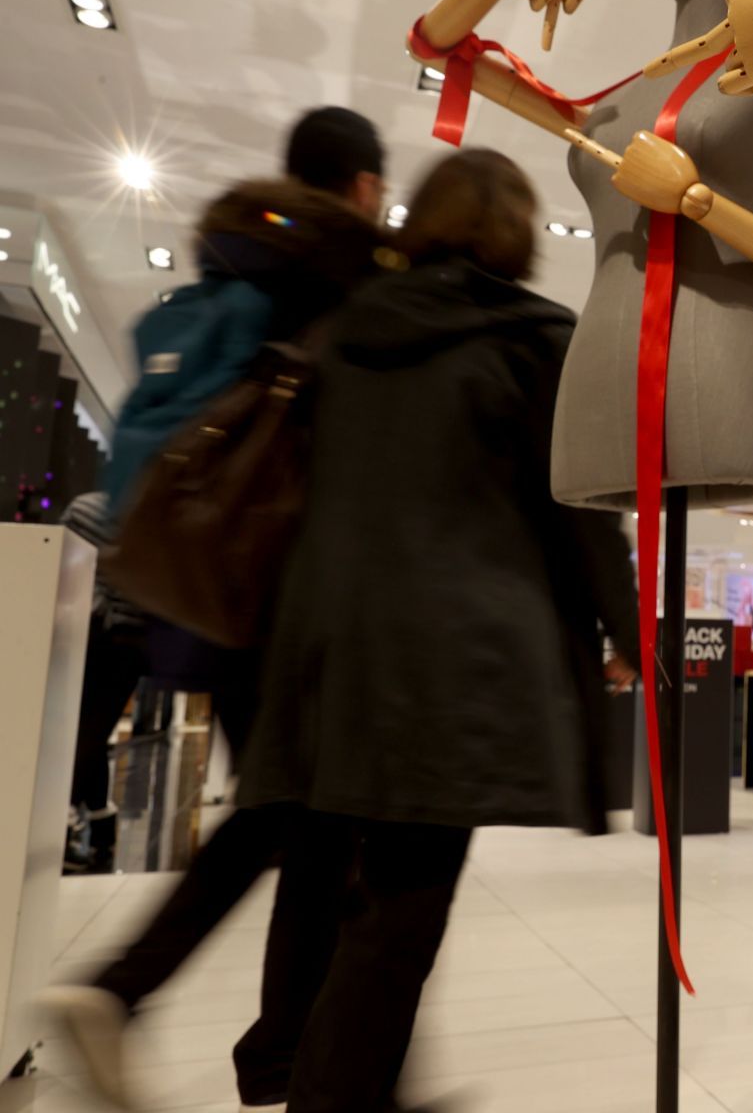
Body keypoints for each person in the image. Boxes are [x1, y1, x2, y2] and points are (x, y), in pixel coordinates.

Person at [237, 148, 642, 1111]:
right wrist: (627, 629)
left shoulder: (344, 335)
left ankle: (308, 1072)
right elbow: (577, 504)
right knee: (403, 910)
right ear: (516, 232)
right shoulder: (533, 337)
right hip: (447, 660)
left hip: (328, 647)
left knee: (343, 887)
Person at [41, 106, 389, 1111]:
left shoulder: (236, 257)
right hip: (290, 583)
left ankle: (285, 1055)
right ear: (363, 184)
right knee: (304, 812)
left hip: (212, 582)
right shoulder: (338, 266)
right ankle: (128, 989)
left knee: (305, 819)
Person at [59, 490, 148, 875]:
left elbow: (60, 568)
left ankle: (85, 825)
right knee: (91, 733)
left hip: (85, 632)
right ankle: (93, 827)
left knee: (79, 732)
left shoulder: (84, 507)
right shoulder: (154, 511)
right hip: (126, 640)